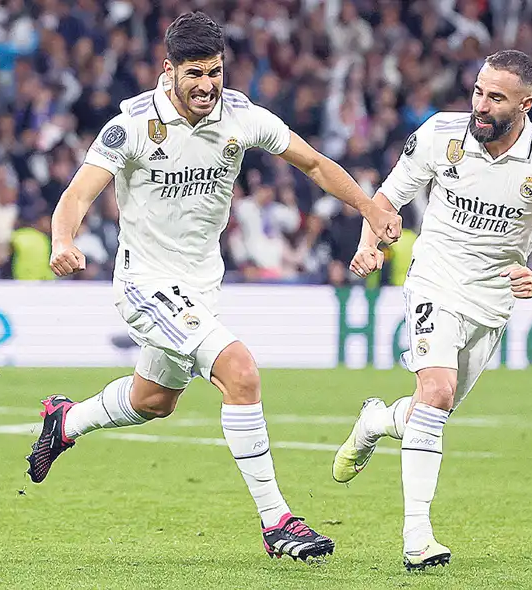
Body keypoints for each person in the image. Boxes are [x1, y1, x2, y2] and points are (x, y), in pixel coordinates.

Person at [24, 11, 401, 563]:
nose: (207, 86)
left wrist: (368, 205)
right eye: (195, 73)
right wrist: (62, 239)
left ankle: (65, 422)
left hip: (201, 284)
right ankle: (279, 523)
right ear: (169, 70)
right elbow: (78, 195)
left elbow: (315, 164)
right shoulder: (130, 125)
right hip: (145, 282)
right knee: (240, 370)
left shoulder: (241, 116)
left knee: (153, 400)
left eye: (216, 72)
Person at [331, 50, 532, 571]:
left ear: (525, 104)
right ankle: (417, 539)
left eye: (496, 97)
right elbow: (386, 198)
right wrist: (370, 243)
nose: (481, 105)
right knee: (437, 389)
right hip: (434, 280)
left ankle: (376, 422)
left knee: (433, 408)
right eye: (477, 91)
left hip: (493, 299)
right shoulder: (439, 135)